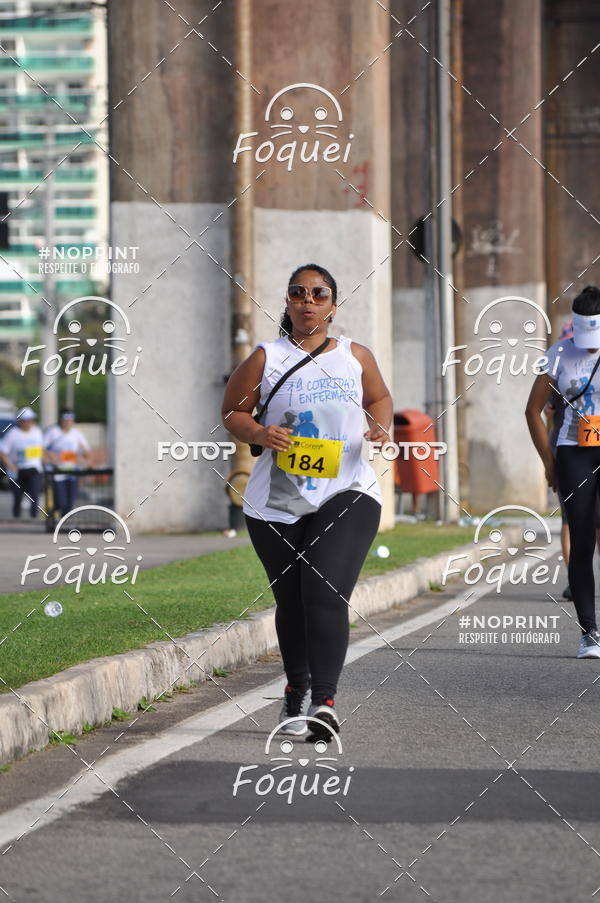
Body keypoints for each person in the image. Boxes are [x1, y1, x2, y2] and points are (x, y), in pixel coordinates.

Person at [221, 264, 393, 740]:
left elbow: (380, 398)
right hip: (277, 500)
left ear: (333, 306)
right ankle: (295, 691)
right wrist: (259, 432)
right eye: (298, 293)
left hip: (347, 488)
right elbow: (232, 412)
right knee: (292, 601)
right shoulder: (266, 357)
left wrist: (380, 426)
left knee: (323, 590)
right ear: (288, 303)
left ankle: (325, 702)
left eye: (318, 294)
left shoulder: (355, 356)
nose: (307, 301)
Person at [526, 285, 600, 658]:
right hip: (575, 454)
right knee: (582, 540)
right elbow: (532, 410)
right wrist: (549, 462)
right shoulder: (558, 355)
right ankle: (589, 631)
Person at [545, 318, 600, 601]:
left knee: (572, 522)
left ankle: (573, 578)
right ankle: (577, 580)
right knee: (575, 523)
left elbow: (546, 412)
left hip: (565, 446)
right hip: (571, 449)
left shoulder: (560, 366)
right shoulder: (558, 361)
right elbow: (537, 410)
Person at [43, 409, 91, 517]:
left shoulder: (77, 434)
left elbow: (85, 450)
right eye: (66, 420)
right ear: (61, 420)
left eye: (71, 420)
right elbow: (41, 447)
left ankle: (62, 517)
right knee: (61, 500)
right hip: (57, 471)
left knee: (70, 501)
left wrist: (86, 456)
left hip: (72, 471)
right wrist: (50, 455)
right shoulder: (53, 432)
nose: (68, 423)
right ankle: (55, 511)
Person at [0, 407, 44, 519]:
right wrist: (10, 466)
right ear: (19, 421)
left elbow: (42, 450)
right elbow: (3, 452)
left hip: (34, 469)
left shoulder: (37, 432)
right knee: (17, 496)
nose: (27, 423)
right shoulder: (13, 434)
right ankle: (17, 518)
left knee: (34, 494)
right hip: (18, 470)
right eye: (25, 420)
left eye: (30, 420)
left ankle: (34, 518)